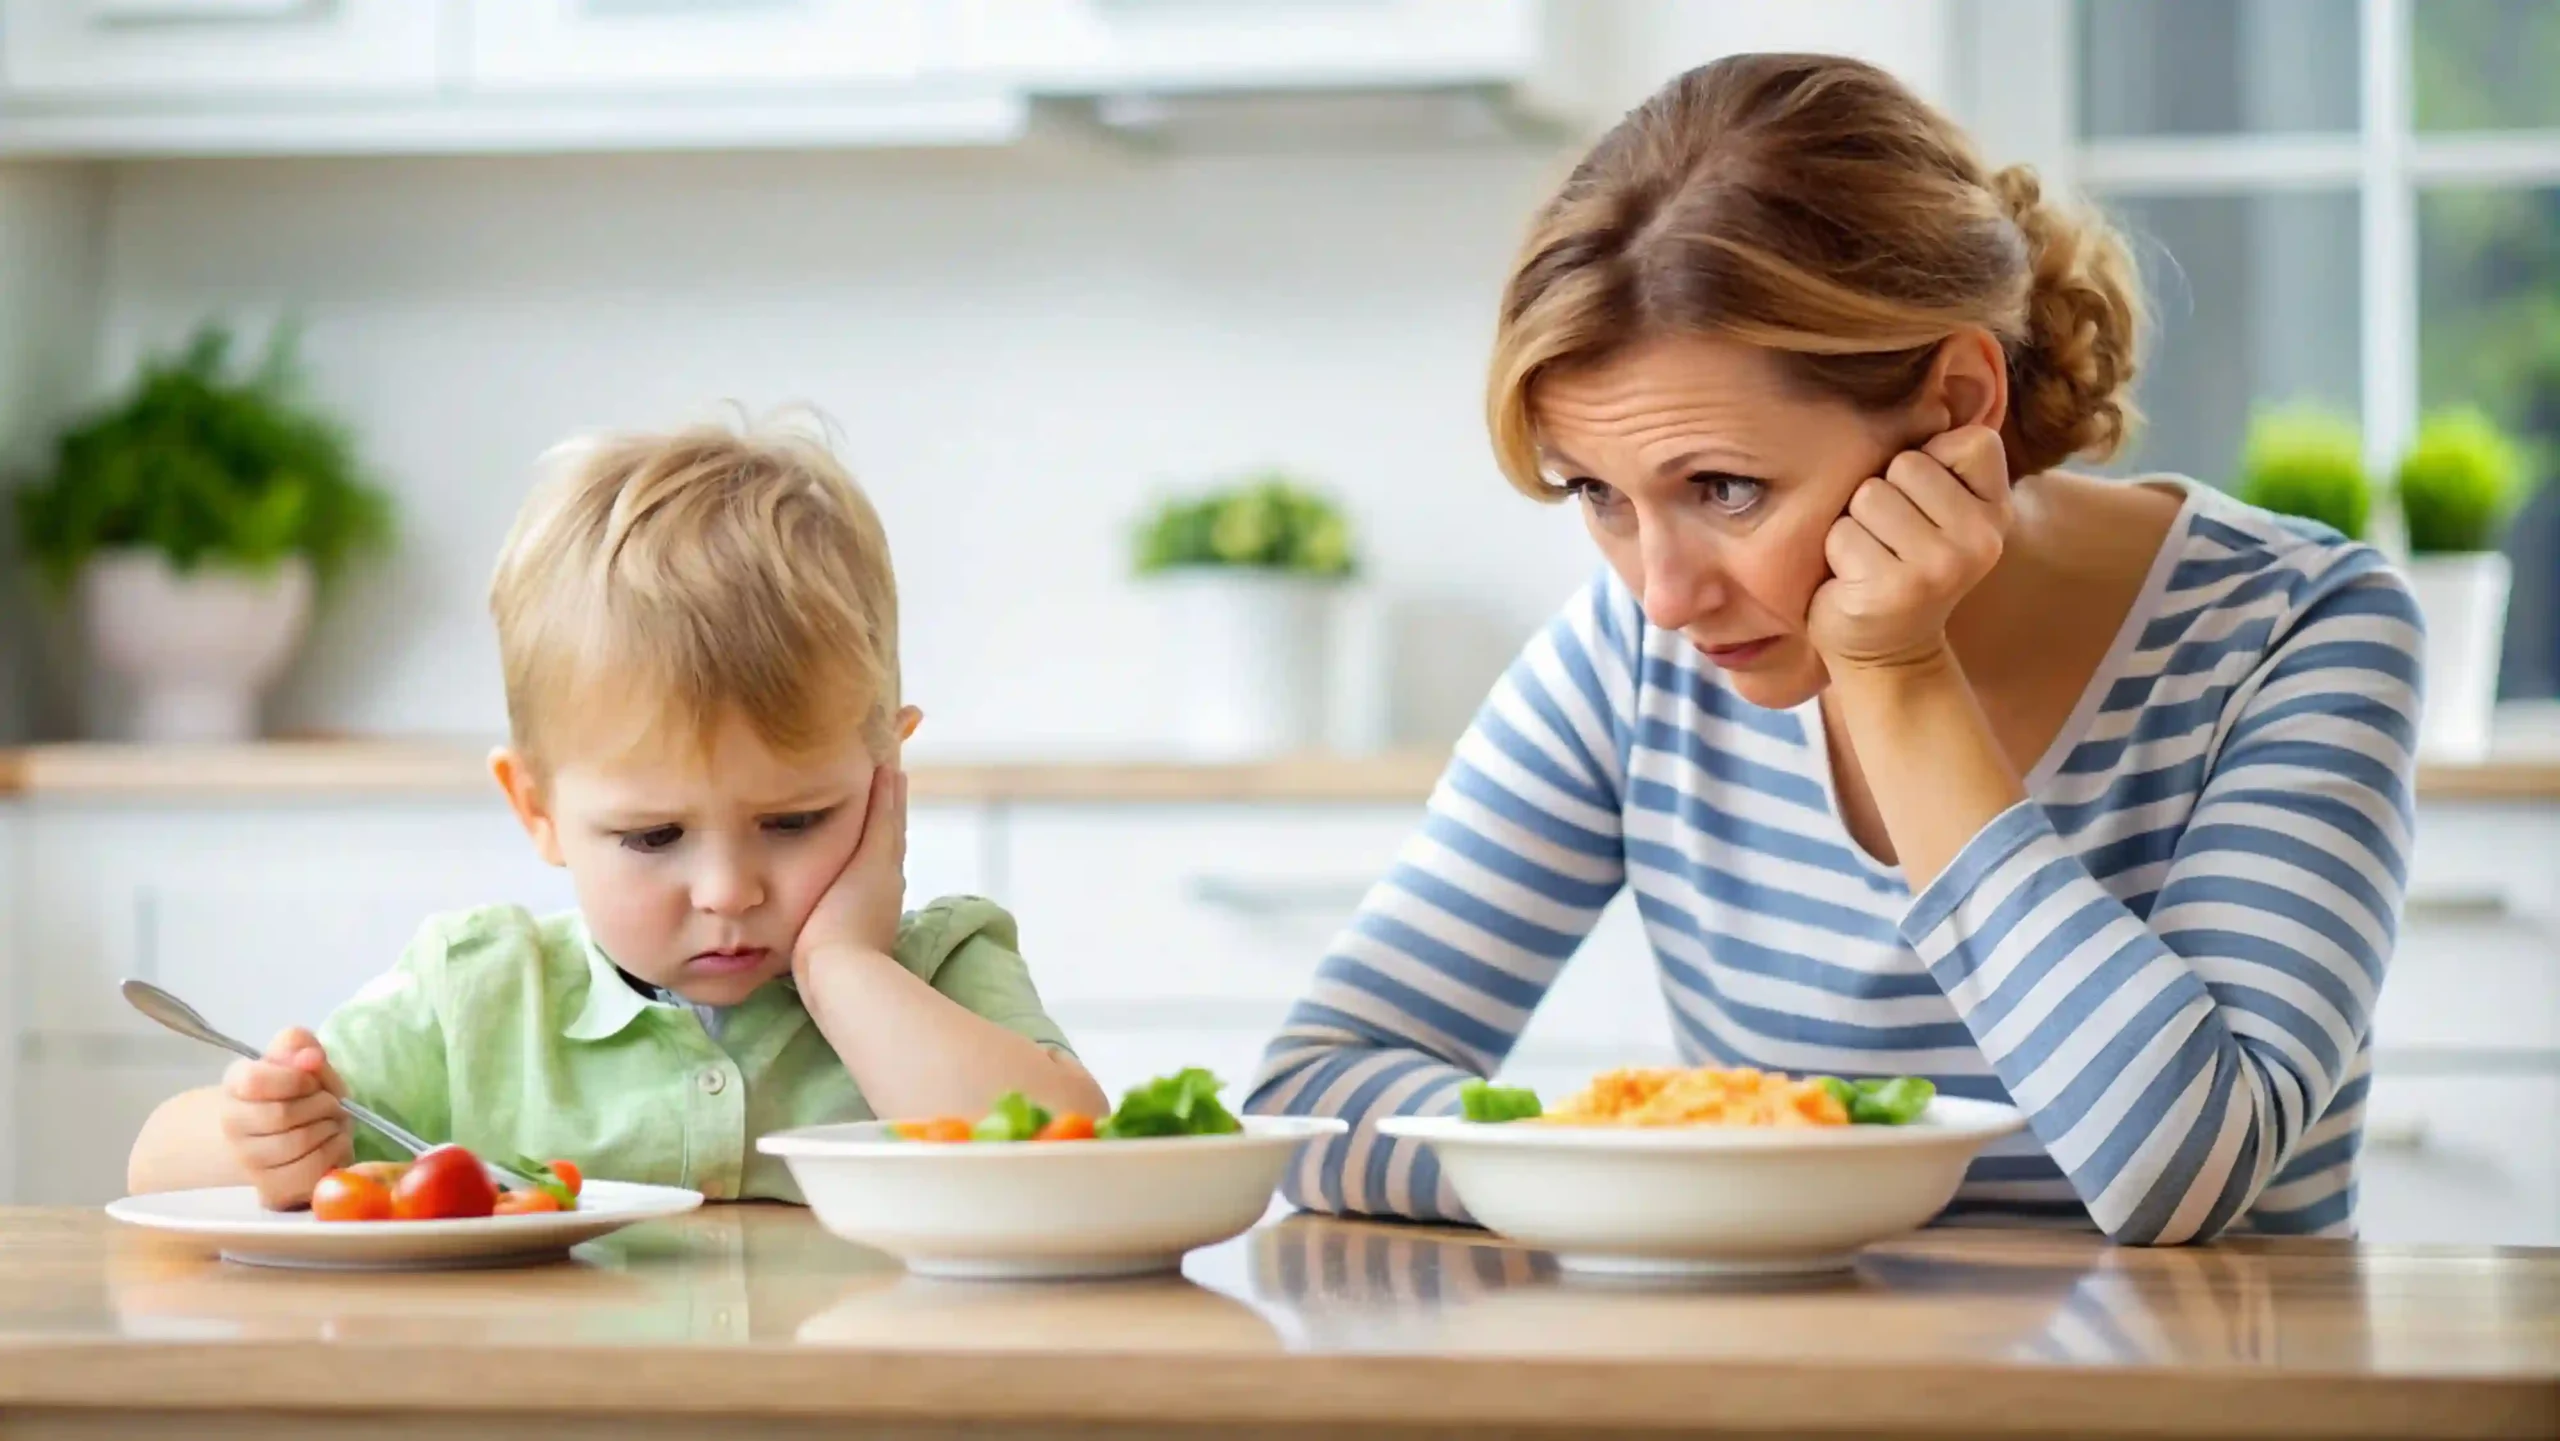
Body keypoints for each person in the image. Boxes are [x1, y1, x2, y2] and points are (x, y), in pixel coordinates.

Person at [1244, 53, 2422, 1244]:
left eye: (1725, 487)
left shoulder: (2293, 629)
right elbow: (1316, 1091)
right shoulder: (1635, 662)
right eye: (1598, 494)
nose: (1661, 592)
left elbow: (2180, 1168)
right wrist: (1672, 1148)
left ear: (1959, 402)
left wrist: (1897, 677)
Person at [127, 419, 1106, 1208]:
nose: (729, 891)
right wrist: (265, 1140)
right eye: (652, 836)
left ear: (887, 770)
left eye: (795, 819)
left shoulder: (939, 966)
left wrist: (844, 967)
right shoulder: (482, 996)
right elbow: (153, 1165)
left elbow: (1079, 1166)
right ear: (536, 808)